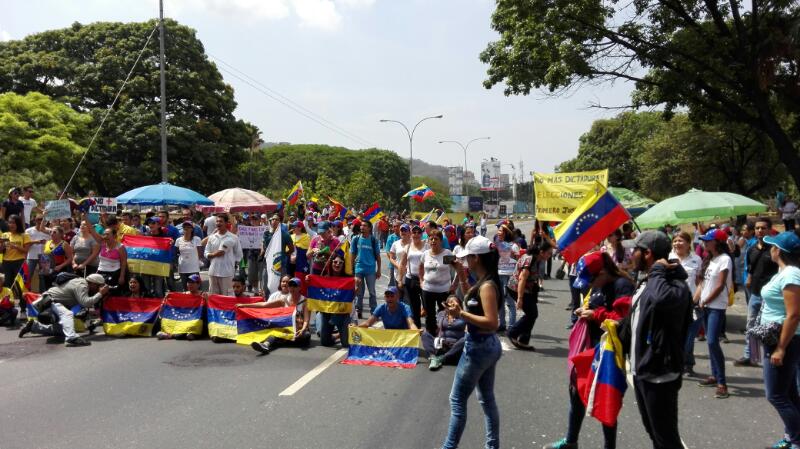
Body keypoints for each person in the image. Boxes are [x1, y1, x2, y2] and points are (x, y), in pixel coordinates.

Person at [544, 251, 634, 449]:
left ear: (602, 272)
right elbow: (594, 306)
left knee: (605, 400)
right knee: (576, 393)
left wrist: (596, 314)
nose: (590, 284)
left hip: (609, 353)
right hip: (588, 348)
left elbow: (623, 321)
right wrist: (584, 312)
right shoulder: (598, 286)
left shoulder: (622, 285)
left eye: (592, 279)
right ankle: (570, 441)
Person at [618, 230, 693, 449]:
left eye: (636, 251)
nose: (631, 255)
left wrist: (658, 271)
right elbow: (639, 318)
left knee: (667, 438)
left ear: (648, 254)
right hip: (642, 369)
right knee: (653, 432)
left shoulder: (675, 286)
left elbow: (661, 300)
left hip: (660, 372)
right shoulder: (646, 282)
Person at [441, 235, 501, 449]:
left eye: (468, 258)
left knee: (457, 400)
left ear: (477, 258)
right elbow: (471, 302)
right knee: (486, 399)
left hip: (479, 345)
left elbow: (492, 322)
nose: (466, 261)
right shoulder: (484, 282)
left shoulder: (487, 286)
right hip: (486, 345)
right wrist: (460, 273)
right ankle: (492, 446)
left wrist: (461, 315)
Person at [756, 231, 800, 449]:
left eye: (771, 246)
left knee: (776, 395)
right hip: (775, 337)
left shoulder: (791, 274)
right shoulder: (783, 272)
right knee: (789, 393)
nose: (769, 249)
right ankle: (792, 437)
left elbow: (793, 314)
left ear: (778, 251)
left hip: (784, 341)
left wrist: (781, 348)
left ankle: (797, 439)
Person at [695, 228, 734, 398]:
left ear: (717, 242)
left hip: (716, 306)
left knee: (712, 342)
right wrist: (696, 301)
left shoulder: (725, 259)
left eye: (707, 240)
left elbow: (720, 285)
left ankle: (722, 383)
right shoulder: (710, 259)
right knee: (710, 343)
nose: (704, 242)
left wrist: (707, 300)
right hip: (705, 305)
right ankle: (714, 375)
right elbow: (703, 284)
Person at [18, 273, 110, 346]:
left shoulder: (82, 284)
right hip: (49, 300)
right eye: (99, 286)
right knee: (67, 314)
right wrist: (100, 294)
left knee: (63, 328)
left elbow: (82, 306)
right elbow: (85, 302)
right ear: (93, 283)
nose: (99, 289)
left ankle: (34, 326)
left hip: (52, 302)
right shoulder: (82, 285)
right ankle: (71, 339)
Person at [736, 217, 779, 367]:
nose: (760, 231)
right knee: (751, 325)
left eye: (763, 228)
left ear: (769, 230)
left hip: (772, 297)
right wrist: (748, 278)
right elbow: (751, 268)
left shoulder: (775, 249)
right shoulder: (751, 249)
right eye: (757, 228)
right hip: (754, 293)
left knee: (771, 327)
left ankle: (774, 355)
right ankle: (751, 355)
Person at [244, 277, 312, 354]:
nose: (292, 288)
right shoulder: (284, 300)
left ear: (299, 287)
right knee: (275, 332)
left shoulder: (304, 301)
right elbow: (264, 305)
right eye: (290, 285)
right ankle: (265, 345)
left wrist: (303, 329)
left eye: (295, 286)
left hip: (299, 329)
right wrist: (244, 305)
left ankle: (285, 340)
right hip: (287, 329)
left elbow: (306, 320)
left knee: (306, 335)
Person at [507, 240, 554, 350]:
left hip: (529, 290)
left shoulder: (538, 258)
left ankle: (523, 340)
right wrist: (520, 298)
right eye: (549, 253)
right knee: (532, 313)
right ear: (541, 252)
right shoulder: (530, 259)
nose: (550, 255)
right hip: (517, 289)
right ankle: (512, 333)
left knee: (532, 313)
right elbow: (522, 279)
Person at [669, 231, 704, 376]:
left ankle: (685, 363)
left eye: (681, 240)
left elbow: (700, 282)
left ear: (689, 243)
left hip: (692, 304)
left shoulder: (697, 260)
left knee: (689, 337)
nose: (677, 243)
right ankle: (686, 363)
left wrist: (695, 300)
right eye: (675, 240)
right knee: (676, 336)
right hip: (673, 304)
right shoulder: (668, 259)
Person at [420, 229, 454, 335]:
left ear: (441, 241)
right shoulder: (425, 254)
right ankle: (431, 334)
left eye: (436, 239)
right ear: (428, 241)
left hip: (443, 290)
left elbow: (458, 268)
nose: (433, 241)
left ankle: (442, 333)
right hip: (427, 289)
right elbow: (420, 267)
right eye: (431, 239)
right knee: (429, 315)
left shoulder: (447, 254)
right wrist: (421, 280)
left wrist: (455, 284)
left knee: (444, 313)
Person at [423, 294, 466, 371]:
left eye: (454, 302)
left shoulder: (464, 315)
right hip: (442, 344)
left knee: (466, 338)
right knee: (425, 334)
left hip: (456, 346)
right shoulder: (441, 314)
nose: (451, 303)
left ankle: (442, 358)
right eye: (449, 301)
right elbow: (436, 329)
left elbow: (468, 330)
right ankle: (433, 358)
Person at [156, 274, 205, 341]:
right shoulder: (184, 294)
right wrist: (169, 297)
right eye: (188, 282)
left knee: (197, 323)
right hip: (184, 318)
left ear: (198, 284)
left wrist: (207, 300)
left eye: (192, 283)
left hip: (196, 318)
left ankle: (187, 334)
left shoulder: (203, 295)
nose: (190, 284)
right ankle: (171, 334)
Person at [205, 214, 243, 296]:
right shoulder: (212, 237)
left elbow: (239, 255)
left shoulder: (233, 237)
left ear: (226, 223)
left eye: (221, 221)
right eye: (217, 221)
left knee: (226, 297)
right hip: (213, 272)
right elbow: (206, 252)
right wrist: (213, 255)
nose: (218, 223)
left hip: (227, 273)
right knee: (213, 297)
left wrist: (232, 264)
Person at [351, 220, 381, 318]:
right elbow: (352, 255)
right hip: (359, 269)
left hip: (370, 270)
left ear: (369, 228)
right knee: (358, 291)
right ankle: (358, 310)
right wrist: (351, 269)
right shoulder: (355, 239)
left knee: (372, 292)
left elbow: (378, 256)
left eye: (364, 226)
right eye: (361, 225)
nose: (362, 227)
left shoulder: (373, 240)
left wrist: (379, 270)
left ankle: (374, 312)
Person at [399, 225, 427, 327]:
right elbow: (402, 264)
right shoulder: (407, 247)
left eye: (418, 232)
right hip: (411, 279)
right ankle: (417, 328)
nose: (416, 234)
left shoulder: (426, 245)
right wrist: (400, 280)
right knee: (414, 306)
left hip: (425, 279)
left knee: (427, 305)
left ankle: (429, 328)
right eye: (414, 232)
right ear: (411, 234)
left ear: (421, 234)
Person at [495, 224, 520, 332]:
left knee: (509, 301)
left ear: (505, 232)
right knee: (500, 301)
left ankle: (512, 326)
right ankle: (502, 324)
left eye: (500, 230)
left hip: (509, 276)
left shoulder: (513, 246)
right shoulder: (496, 245)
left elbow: (518, 261)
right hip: (498, 275)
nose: (498, 232)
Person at [1, 215, 31, 298]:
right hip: (6, 263)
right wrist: (2, 247)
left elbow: (26, 250)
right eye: (10, 222)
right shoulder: (4, 235)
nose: (11, 225)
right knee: (7, 285)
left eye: (13, 222)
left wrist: (15, 246)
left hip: (19, 262)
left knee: (20, 285)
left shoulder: (24, 235)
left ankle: (23, 308)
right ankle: (7, 306)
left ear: (18, 224)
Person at [175, 221, 203, 290]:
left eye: (188, 227)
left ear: (192, 229)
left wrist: (199, 262)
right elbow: (176, 252)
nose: (186, 229)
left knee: (196, 288)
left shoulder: (197, 239)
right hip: (183, 268)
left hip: (193, 268)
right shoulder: (178, 240)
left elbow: (200, 253)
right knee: (185, 288)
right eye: (184, 227)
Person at [25, 215, 49, 290]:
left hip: (44, 256)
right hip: (31, 255)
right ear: (35, 220)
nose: (40, 221)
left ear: (45, 221)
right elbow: (25, 243)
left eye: (42, 219)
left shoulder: (49, 230)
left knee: (43, 276)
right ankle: (27, 293)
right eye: (38, 219)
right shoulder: (28, 230)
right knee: (28, 275)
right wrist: (36, 242)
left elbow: (52, 242)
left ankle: (44, 293)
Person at [388, 224, 411, 297]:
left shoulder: (413, 243)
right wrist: (398, 266)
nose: (403, 232)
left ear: (409, 233)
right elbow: (391, 258)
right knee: (398, 297)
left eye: (405, 230)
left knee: (408, 299)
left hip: (409, 275)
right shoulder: (395, 244)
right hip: (397, 273)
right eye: (401, 230)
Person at [384, 220, 402, 287]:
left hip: (403, 265)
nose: (395, 228)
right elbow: (388, 251)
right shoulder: (390, 237)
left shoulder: (405, 236)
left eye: (397, 226)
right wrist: (394, 262)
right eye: (394, 226)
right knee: (392, 283)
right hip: (393, 265)